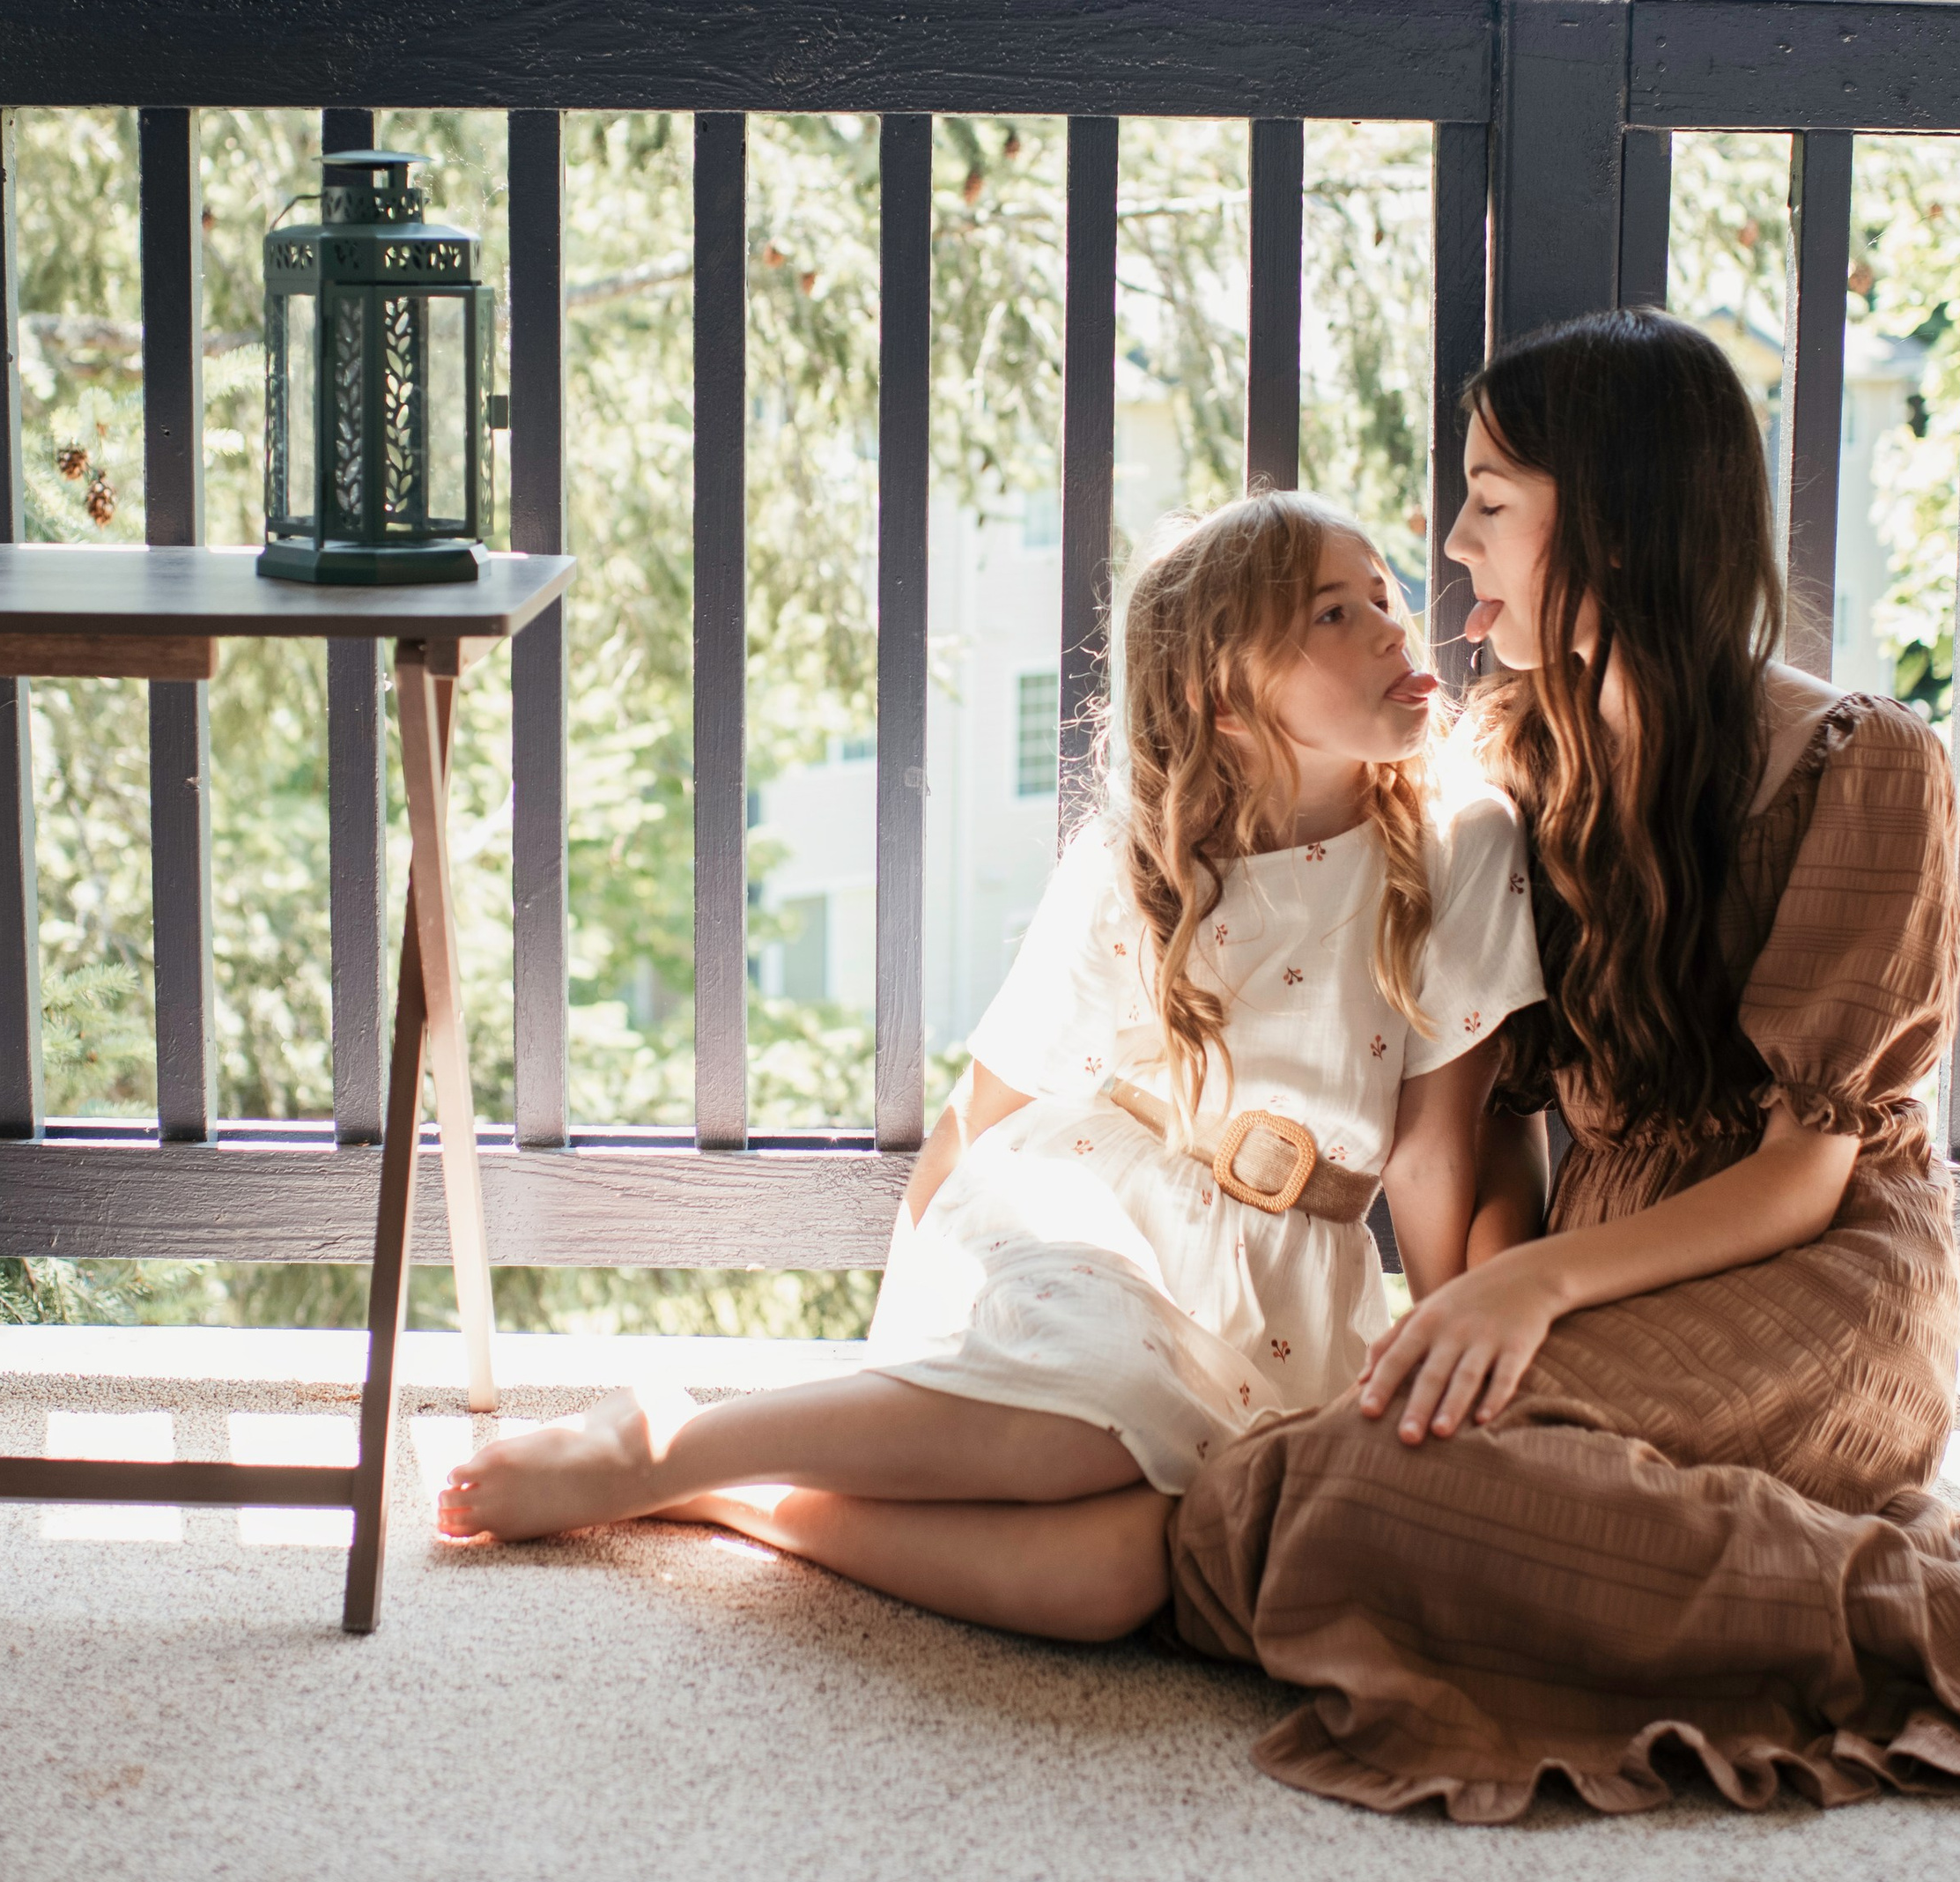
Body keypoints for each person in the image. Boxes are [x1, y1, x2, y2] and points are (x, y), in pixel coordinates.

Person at [1167, 309, 1960, 1819]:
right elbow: (1495, 1121)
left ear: (1611, 515)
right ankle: (1697, 1553)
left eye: (1489, 497)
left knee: (1354, 1497)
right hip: (1599, 1258)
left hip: (1819, 1279)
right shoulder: (1516, 753)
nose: (1455, 542)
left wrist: (1529, 1294)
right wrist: (1483, 1293)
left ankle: (1900, 1608)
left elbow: (1809, 1170)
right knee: (1274, 1492)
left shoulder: (1868, 766)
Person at [438, 492, 1546, 1634]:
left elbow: (1429, 1151)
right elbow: (997, 1096)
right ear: (1225, 695)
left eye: (1383, 595)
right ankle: (666, 1439)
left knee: (1119, 1578)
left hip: (1283, 1293)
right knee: (1089, 1409)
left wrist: (1455, 1362)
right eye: (1333, 611)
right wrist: (908, 1312)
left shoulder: (1461, 840)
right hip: (1087, 1216)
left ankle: (721, 1491)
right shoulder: (1145, 858)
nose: (1391, 625)